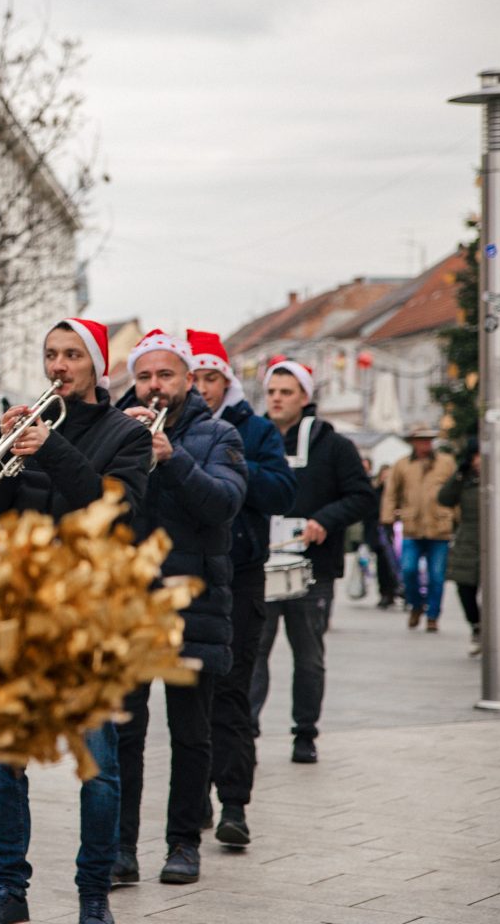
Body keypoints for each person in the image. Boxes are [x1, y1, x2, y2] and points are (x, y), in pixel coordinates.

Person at [0, 317, 150, 924]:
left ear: (97, 365)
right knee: (2, 762)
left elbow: (113, 512)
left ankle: (93, 894)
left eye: (72, 355)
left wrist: (51, 447)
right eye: (51, 354)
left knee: (97, 766)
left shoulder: (128, 434)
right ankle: (8, 892)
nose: (59, 366)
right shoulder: (33, 430)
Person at [113, 330, 246, 888]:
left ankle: (183, 843)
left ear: (189, 381)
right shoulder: (117, 429)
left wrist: (172, 459)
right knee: (126, 735)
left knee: (191, 734)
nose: (154, 386)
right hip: (133, 609)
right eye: (144, 376)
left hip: (195, 606)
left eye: (165, 375)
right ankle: (121, 848)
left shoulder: (219, 434)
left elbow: (224, 504)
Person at [186, 330, 296, 850]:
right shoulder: (172, 425)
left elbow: (281, 490)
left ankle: (234, 803)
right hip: (190, 574)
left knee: (233, 691)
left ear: (226, 381)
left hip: (243, 572)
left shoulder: (253, 430)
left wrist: (229, 463)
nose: (204, 387)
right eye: (197, 378)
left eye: (213, 379)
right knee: (192, 698)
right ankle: (194, 797)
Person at [249, 357, 374, 765]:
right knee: (253, 654)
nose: (277, 399)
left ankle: (305, 734)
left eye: (286, 392)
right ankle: (244, 730)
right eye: (271, 392)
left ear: (305, 397)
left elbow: (361, 497)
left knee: (309, 657)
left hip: (313, 568)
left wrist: (325, 520)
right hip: (261, 564)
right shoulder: (252, 438)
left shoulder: (334, 445)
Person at [381, 424, 457, 631]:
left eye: (428, 439)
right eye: (421, 439)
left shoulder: (446, 463)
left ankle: (433, 615)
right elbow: (391, 493)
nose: (425, 443)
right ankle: (415, 605)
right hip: (412, 527)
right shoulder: (402, 465)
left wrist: (458, 518)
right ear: (413, 442)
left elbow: (455, 491)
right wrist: (387, 517)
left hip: (439, 527)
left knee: (437, 576)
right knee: (408, 570)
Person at [438, 439, 483, 656]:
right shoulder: (464, 479)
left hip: (498, 541)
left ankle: (494, 630)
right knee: (465, 588)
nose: (481, 461)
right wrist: (458, 475)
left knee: (496, 590)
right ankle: (476, 625)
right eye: (477, 456)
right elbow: (444, 498)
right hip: (468, 541)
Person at [363, 459, 402, 608]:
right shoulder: (375, 493)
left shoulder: (397, 495)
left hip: (395, 533)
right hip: (379, 534)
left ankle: (397, 589)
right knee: (383, 565)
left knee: (396, 563)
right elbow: (369, 514)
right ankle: (385, 593)